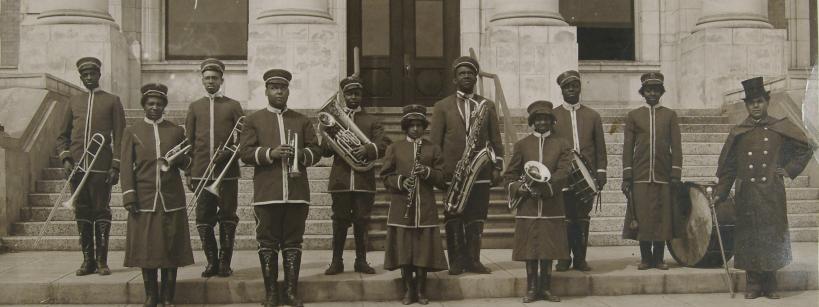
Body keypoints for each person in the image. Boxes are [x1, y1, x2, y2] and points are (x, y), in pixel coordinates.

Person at [714, 77, 814, 299]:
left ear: (767, 102)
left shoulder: (779, 127)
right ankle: (753, 283)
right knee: (749, 237)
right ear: (747, 106)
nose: (756, 106)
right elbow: (729, 168)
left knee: (771, 236)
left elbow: (806, 146)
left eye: (759, 101)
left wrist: (788, 169)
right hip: (747, 194)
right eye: (751, 103)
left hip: (772, 193)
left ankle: (770, 283)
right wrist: (720, 193)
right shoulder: (739, 132)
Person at [239, 69, 323, 307]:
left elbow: (316, 151)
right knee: (267, 243)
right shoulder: (253, 120)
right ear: (266, 90)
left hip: (297, 194)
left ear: (288, 90)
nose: (278, 91)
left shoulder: (302, 120)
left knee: (293, 242)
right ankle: (271, 294)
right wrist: (270, 153)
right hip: (267, 193)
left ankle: (291, 292)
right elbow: (245, 153)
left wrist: (300, 154)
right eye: (274, 87)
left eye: (282, 87)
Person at [121, 83, 195, 307]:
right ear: (144, 105)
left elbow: (186, 162)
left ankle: (167, 297)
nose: (155, 107)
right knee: (147, 248)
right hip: (143, 198)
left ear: (165, 106)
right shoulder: (132, 131)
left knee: (171, 247)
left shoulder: (175, 130)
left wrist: (188, 165)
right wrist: (129, 195)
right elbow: (125, 166)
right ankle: (151, 296)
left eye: (159, 104)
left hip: (171, 198)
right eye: (150, 103)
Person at [429, 56, 504, 275]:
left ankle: (474, 260)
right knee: (453, 215)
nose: (466, 77)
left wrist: (497, 165)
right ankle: (456, 262)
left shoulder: (487, 105)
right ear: (454, 79)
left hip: (480, 171)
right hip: (453, 172)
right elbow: (435, 142)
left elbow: (496, 139)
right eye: (462, 73)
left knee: (477, 215)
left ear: (475, 78)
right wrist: (438, 171)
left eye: (470, 73)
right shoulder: (442, 106)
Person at [55, 57, 125, 276]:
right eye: (84, 75)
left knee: (101, 212)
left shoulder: (112, 100)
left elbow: (120, 136)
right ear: (81, 77)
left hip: (101, 168)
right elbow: (62, 136)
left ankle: (102, 261)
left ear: (99, 75)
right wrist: (66, 158)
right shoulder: (73, 101)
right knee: (82, 213)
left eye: (92, 74)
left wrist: (116, 166)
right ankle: (88, 261)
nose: (88, 78)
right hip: (77, 168)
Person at [381, 104, 449, 305]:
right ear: (405, 126)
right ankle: (408, 291)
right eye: (412, 125)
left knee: (422, 252)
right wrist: (402, 181)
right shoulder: (394, 148)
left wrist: (427, 173)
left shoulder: (432, 148)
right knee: (405, 251)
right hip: (402, 207)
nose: (416, 129)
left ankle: (420, 290)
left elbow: (442, 178)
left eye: (420, 125)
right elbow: (385, 176)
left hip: (425, 208)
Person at [322, 75, 390, 275]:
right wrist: (327, 136)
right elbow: (324, 151)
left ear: (362, 95)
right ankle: (336, 261)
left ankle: (361, 260)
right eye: (349, 93)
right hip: (341, 180)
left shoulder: (371, 120)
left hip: (363, 180)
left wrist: (367, 150)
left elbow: (383, 144)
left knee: (362, 220)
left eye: (357, 93)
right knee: (339, 220)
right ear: (343, 96)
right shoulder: (334, 120)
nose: (353, 97)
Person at [505, 100, 572, 303]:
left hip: (552, 203)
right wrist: (520, 188)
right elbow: (510, 175)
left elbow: (564, 171)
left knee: (549, 246)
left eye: (546, 119)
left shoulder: (562, 144)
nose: (542, 122)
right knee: (530, 247)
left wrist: (545, 189)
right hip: (528, 205)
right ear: (532, 122)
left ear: (551, 121)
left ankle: (546, 287)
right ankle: (532, 288)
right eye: (538, 119)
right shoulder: (522, 145)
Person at [184, 58, 244, 277]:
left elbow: (245, 138)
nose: (211, 82)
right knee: (203, 218)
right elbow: (188, 142)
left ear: (221, 80)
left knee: (228, 217)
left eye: (215, 78)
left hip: (227, 173)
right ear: (202, 80)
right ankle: (211, 262)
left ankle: (225, 262)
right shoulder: (195, 107)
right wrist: (189, 172)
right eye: (207, 78)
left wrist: (230, 152)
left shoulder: (233, 105)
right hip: (201, 172)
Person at [621, 72, 682, 270]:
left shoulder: (670, 115)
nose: (652, 93)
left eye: (656, 90)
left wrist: (675, 173)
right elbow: (628, 147)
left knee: (662, 218)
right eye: (649, 90)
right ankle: (646, 258)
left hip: (663, 174)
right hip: (640, 174)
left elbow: (677, 146)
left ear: (661, 92)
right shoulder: (634, 116)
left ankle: (659, 258)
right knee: (644, 218)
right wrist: (627, 175)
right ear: (643, 92)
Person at [552, 70, 607, 272]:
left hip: (587, 177)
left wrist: (601, 172)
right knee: (565, 217)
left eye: (574, 85)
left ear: (580, 88)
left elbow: (600, 147)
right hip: (564, 176)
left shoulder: (593, 116)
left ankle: (580, 259)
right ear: (562, 89)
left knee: (583, 217)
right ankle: (564, 258)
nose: (571, 89)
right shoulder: (554, 116)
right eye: (567, 86)